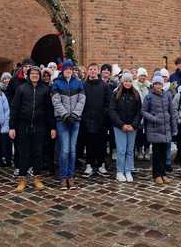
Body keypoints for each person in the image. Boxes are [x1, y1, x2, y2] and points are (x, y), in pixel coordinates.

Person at [10, 66, 56, 192]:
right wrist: (12, 126)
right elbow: (15, 108)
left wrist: (52, 127)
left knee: (38, 153)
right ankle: (22, 179)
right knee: (23, 153)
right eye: (32, 73)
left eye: (37, 73)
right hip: (23, 126)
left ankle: (37, 178)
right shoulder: (21, 89)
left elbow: (49, 110)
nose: (35, 75)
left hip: (39, 126)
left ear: (40, 76)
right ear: (28, 75)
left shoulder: (45, 90)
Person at [52, 59, 86, 189]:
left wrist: (75, 114)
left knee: (72, 150)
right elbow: (56, 101)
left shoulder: (78, 83)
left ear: (72, 70)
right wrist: (65, 115)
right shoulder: (57, 83)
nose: (68, 71)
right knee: (65, 150)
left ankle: (70, 176)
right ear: (63, 70)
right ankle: (63, 176)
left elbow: (82, 100)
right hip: (62, 121)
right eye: (66, 68)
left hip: (75, 120)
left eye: (70, 69)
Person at [142, 75, 177, 184]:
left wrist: (174, 128)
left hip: (166, 129)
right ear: (153, 84)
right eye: (156, 83)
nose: (158, 85)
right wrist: (153, 118)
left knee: (164, 153)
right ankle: (156, 175)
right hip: (155, 129)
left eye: (160, 84)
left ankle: (163, 174)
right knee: (157, 154)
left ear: (162, 85)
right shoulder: (149, 97)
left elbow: (172, 113)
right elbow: (143, 111)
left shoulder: (167, 95)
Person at [109, 72, 142, 182]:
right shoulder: (116, 94)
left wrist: (133, 125)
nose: (127, 83)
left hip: (132, 127)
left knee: (129, 150)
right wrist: (121, 124)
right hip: (120, 127)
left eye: (129, 81)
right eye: (126, 81)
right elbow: (112, 111)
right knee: (121, 149)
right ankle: (120, 171)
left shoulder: (136, 94)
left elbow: (139, 111)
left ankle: (128, 170)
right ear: (122, 82)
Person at [81, 63, 111, 177]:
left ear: (98, 71)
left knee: (101, 144)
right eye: (90, 69)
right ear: (88, 71)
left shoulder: (104, 86)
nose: (92, 71)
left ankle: (101, 165)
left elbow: (108, 102)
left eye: (94, 69)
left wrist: (104, 115)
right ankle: (89, 165)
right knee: (89, 143)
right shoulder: (83, 85)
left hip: (101, 120)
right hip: (87, 120)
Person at [133, 68, 151, 161]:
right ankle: (139, 149)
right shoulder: (134, 85)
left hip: (147, 112)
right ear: (138, 76)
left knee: (147, 132)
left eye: (144, 76)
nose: (142, 77)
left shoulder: (149, 86)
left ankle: (147, 149)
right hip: (138, 111)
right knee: (139, 132)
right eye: (141, 75)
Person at [0, 72, 14, 167]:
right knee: (3, 139)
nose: (6, 80)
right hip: (2, 117)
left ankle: (9, 158)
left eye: (8, 78)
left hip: (11, 116)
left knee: (10, 139)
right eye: (4, 79)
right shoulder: (0, 91)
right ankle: (3, 157)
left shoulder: (13, 90)